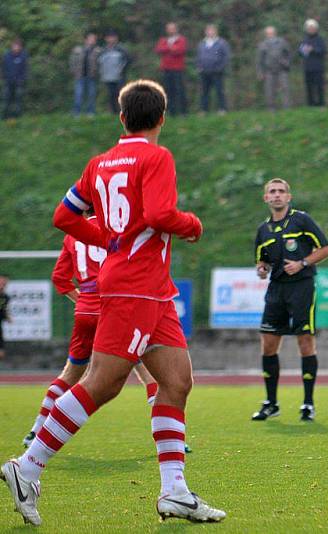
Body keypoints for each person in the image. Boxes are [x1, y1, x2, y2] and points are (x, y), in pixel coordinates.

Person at [1, 80, 224, 526]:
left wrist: (104, 236)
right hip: (135, 286)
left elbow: (64, 217)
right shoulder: (157, 156)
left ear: (121, 118)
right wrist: (191, 224)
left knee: (177, 380)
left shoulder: (100, 162)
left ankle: (174, 491)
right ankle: (27, 467)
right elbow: (162, 216)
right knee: (102, 382)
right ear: (162, 118)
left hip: (152, 290)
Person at [21, 214, 192, 454]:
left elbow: (60, 278)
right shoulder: (117, 227)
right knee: (149, 372)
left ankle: (36, 429)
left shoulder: (73, 234)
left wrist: (82, 301)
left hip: (85, 313)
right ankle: (175, 438)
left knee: (72, 373)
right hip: (115, 308)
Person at [252, 178, 328, 422]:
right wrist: (262, 269)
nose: (277, 195)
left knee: (305, 341)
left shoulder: (301, 220)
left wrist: (302, 263)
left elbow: (326, 249)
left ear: (289, 197)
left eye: (281, 191)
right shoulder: (263, 230)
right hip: (276, 289)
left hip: (302, 287)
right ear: (266, 198)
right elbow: (261, 260)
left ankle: (308, 404)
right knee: (268, 344)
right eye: (272, 192)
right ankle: (271, 403)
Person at [155, 22, 188, 115]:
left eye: (172, 28)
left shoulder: (181, 39)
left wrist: (168, 49)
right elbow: (158, 49)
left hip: (178, 69)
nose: (171, 30)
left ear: (176, 29)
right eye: (169, 28)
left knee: (180, 90)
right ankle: (171, 111)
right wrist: (171, 48)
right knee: (169, 90)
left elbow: (180, 50)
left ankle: (183, 112)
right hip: (166, 69)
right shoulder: (163, 39)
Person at [197, 24, 230, 113]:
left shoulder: (222, 43)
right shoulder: (202, 43)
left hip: (217, 71)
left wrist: (220, 68)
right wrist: (199, 67)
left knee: (219, 91)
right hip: (204, 71)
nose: (210, 32)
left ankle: (222, 109)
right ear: (206, 32)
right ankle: (204, 110)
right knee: (204, 92)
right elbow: (199, 57)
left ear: (215, 32)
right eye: (208, 31)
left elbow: (226, 57)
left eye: (212, 31)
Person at [257, 26, 291, 111]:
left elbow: (288, 53)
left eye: (271, 33)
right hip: (269, 71)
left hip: (282, 69)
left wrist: (287, 63)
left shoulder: (282, 42)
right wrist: (260, 72)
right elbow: (259, 60)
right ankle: (271, 108)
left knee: (285, 89)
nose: (270, 35)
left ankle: (287, 108)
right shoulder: (262, 44)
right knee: (269, 91)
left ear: (275, 33)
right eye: (268, 33)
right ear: (265, 34)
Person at [97, 31, 130, 114]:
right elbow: (98, 62)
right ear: (106, 39)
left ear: (116, 38)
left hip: (120, 76)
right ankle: (113, 112)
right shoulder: (103, 50)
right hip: (107, 76)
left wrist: (122, 70)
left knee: (121, 93)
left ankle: (123, 111)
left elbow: (128, 61)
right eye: (109, 37)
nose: (111, 39)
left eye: (113, 37)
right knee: (111, 94)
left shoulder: (122, 49)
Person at [69, 32, 101, 117]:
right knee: (78, 95)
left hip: (91, 76)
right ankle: (77, 112)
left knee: (91, 95)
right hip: (80, 76)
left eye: (94, 39)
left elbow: (100, 63)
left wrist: (97, 72)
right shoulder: (78, 50)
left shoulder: (97, 51)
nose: (92, 41)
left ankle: (90, 112)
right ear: (86, 40)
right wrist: (73, 72)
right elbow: (72, 61)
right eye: (90, 39)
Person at [299, 19, 327, 107]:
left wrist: (313, 50)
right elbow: (300, 52)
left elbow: (323, 51)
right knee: (309, 87)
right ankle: (310, 104)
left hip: (318, 67)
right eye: (309, 28)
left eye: (312, 28)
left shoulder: (320, 39)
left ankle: (321, 104)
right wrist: (303, 51)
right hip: (307, 67)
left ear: (316, 29)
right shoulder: (304, 40)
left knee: (319, 87)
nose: (311, 29)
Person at [2, 39, 27, 119]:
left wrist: (22, 79)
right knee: (6, 99)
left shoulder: (23, 56)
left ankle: (17, 117)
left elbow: (25, 69)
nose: (16, 48)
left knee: (18, 100)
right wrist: (4, 77)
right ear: (12, 47)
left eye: (18, 46)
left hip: (19, 83)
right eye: (14, 46)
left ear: (20, 47)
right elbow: (3, 68)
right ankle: (4, 116)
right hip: (8, 82)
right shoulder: (6, 56)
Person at [0, 275, 9, 360]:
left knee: (1, 353)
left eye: (4, 284)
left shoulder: (5, 297)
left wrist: (8, 317)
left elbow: (3, 309)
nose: (3, 285)